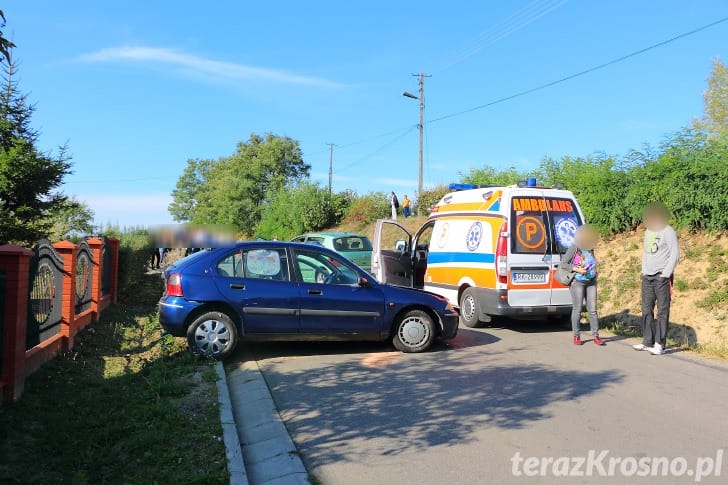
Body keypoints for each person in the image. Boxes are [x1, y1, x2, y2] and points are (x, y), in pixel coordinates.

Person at [633, 202, 680, 355]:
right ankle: (647, 341)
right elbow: (646, 252)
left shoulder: (668, 231)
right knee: (646, 309)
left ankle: (660, 344)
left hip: (662, 277)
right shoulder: (648, 232)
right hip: (648, 277)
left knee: (662, 310)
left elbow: (675, 254)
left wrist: (665, 274)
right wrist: (644, 271)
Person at [559, 224, 604, 346]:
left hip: (591, 281)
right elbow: (563, 264)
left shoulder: (590, 247)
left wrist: (595, 272)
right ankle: (576, 335)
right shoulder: (575, 247)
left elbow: (592, 261)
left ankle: (596, 336)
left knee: (593, 310)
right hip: (577, 282)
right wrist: (577, 269)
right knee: (577, 309)